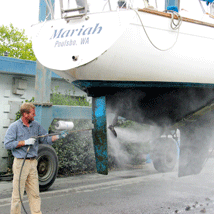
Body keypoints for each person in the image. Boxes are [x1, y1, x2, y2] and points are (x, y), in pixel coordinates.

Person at [4, 102, 66, 214]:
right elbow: (7, 144)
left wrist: (58, 136)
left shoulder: (36, 125)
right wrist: (24, 142)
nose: (35, 116)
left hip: (33, 163)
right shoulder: (15, 127)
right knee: (17, 196)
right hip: (20, 164)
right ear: (25, 114)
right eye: (33, 114)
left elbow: (46, 139)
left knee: (35, 194)